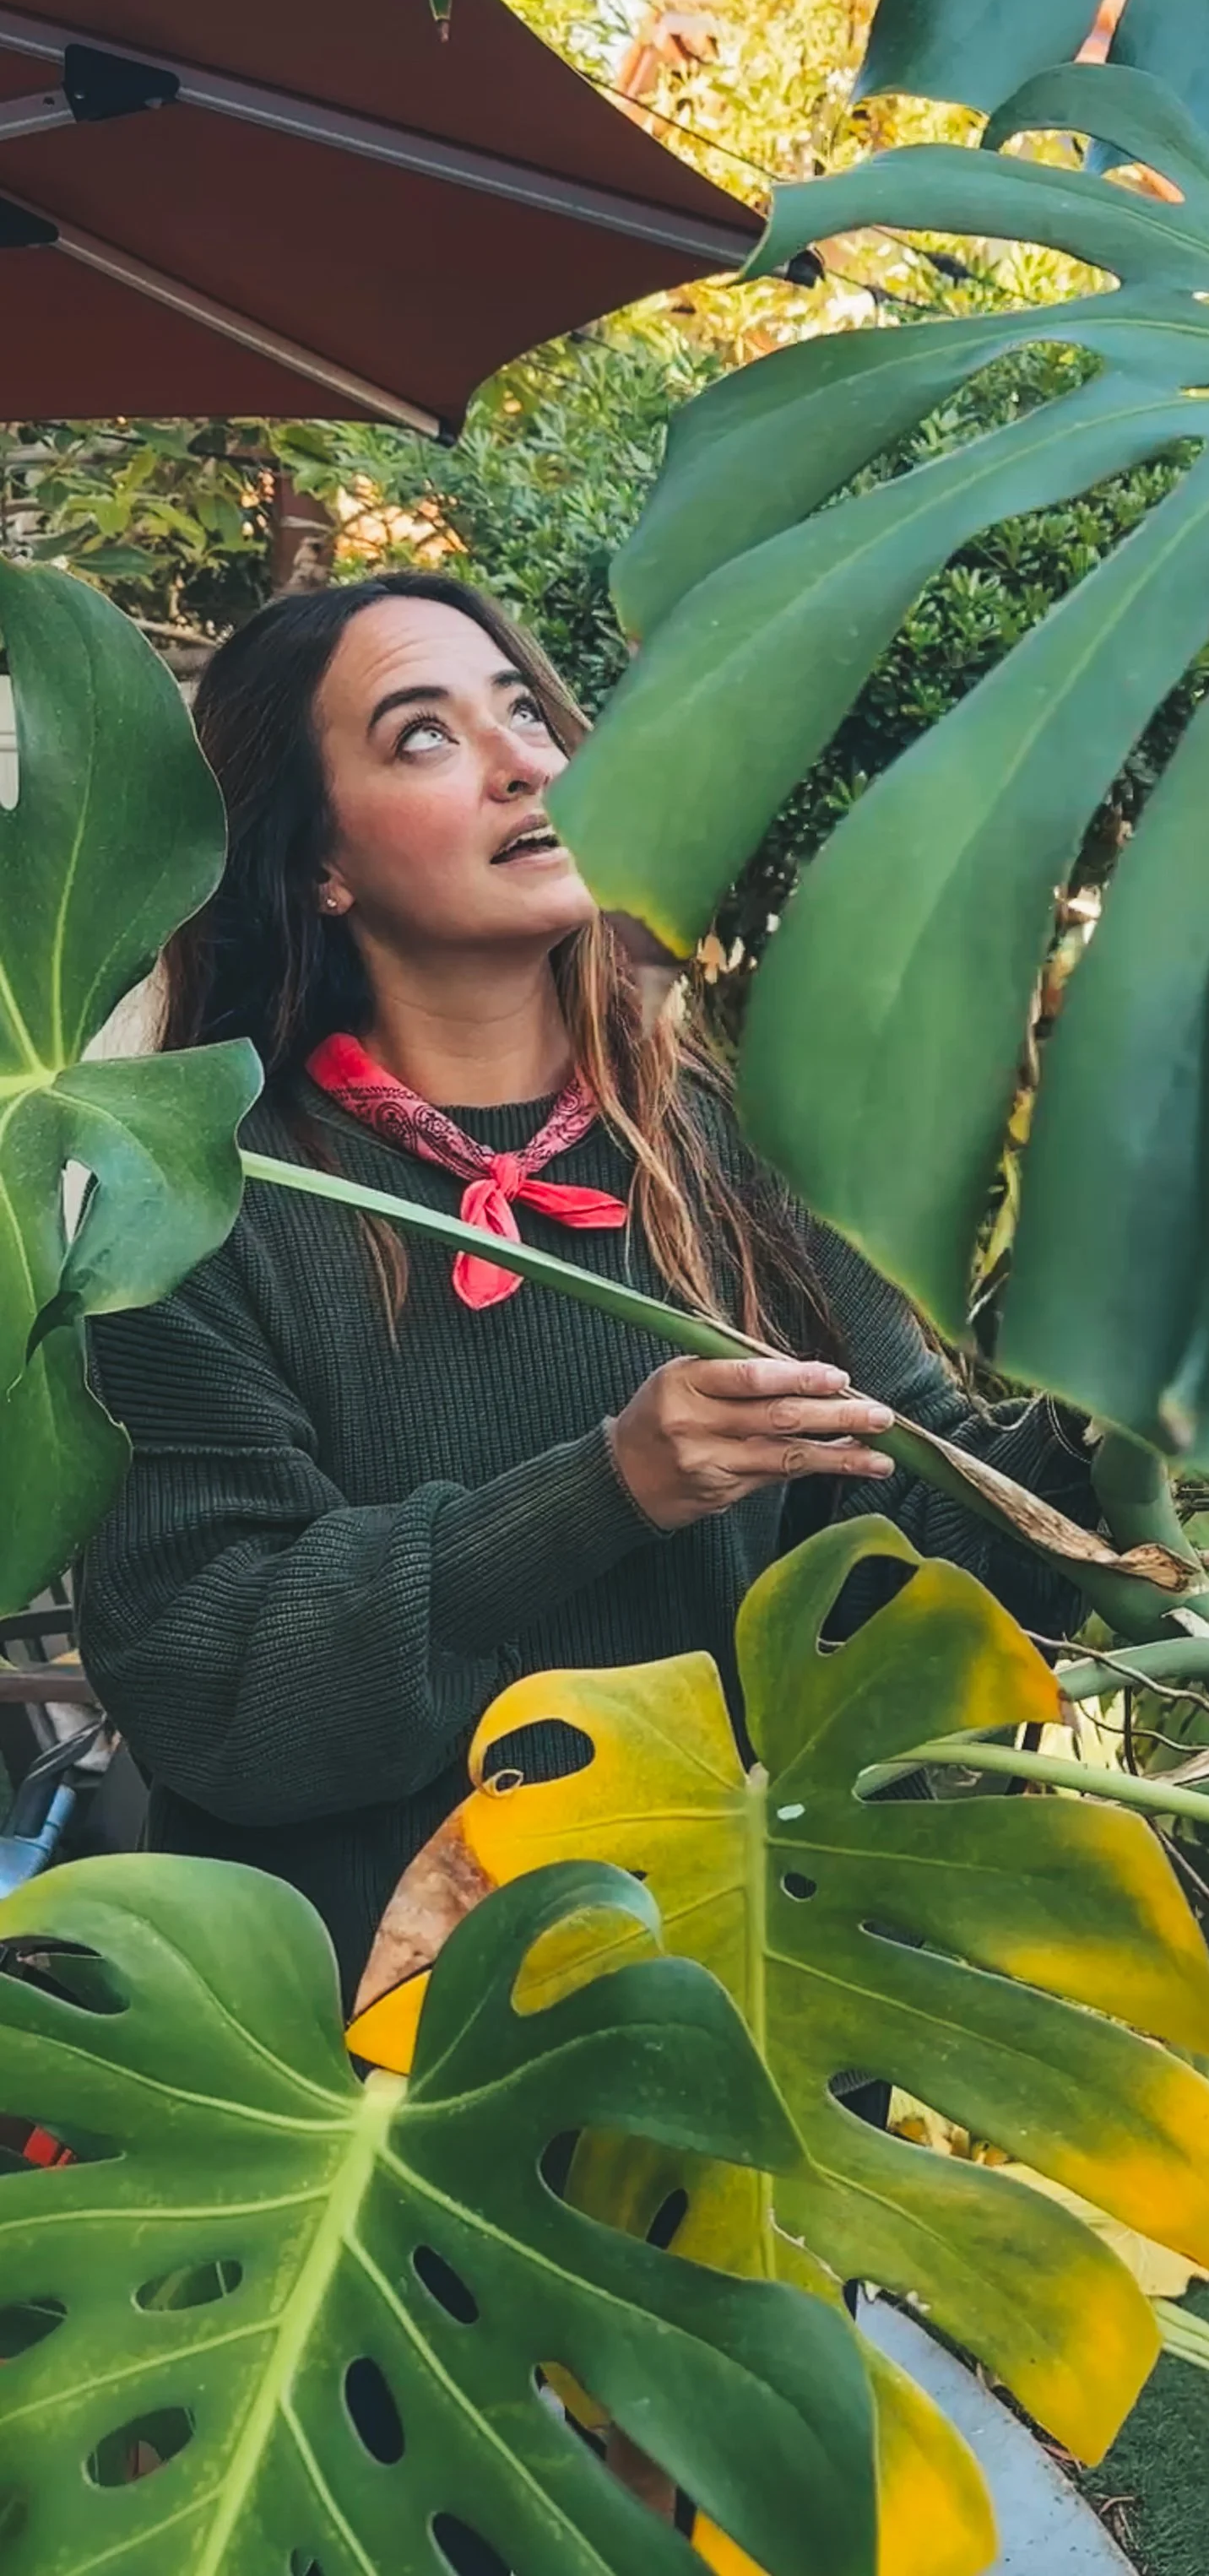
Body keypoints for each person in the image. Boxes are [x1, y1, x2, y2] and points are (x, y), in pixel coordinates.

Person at [79, 573, 1094, 1999]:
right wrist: (605, 1488)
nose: (521, 764)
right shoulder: (211, 1208)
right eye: (422, 736)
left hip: (741, 2002)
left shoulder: (733, 1153)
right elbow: (218, 1686)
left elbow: (925, 1539)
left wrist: (1111, 1417)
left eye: (523, 712)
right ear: (320, 863)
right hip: (394, 2058)